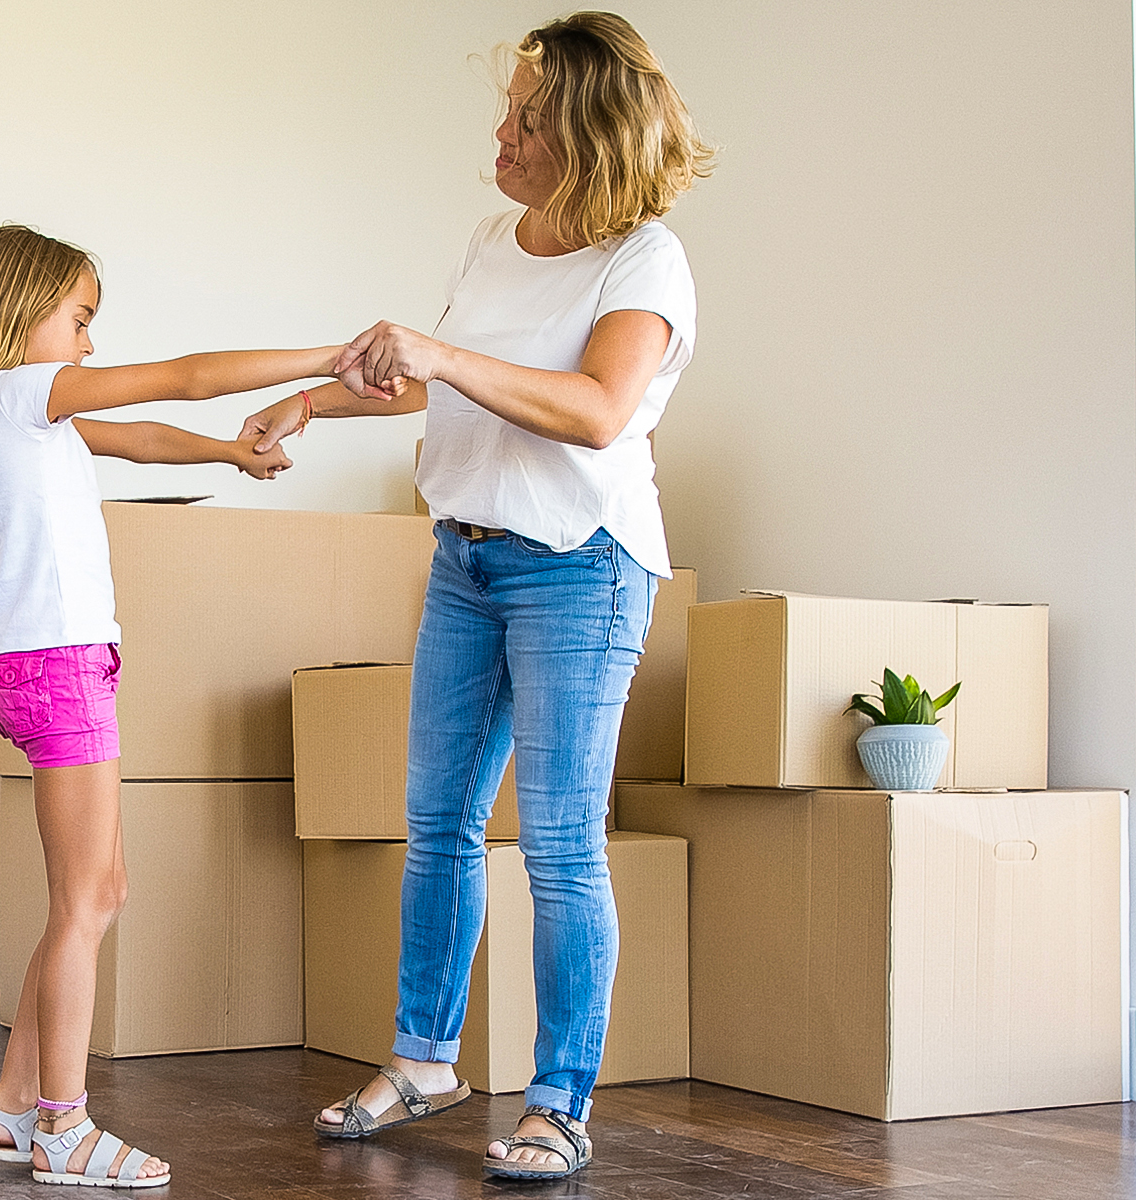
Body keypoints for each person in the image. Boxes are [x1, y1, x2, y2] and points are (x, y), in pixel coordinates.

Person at [245, 11, 711, 1181]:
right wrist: (317, 401)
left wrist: (441, 356)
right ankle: (425, 1060)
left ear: (592, 137)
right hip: (465, 560)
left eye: (531, 118)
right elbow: (438, 390)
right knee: (439, 827)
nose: (501, 134)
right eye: (507, 108)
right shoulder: (495, 238)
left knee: (558, 846)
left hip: (581, 566)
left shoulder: (642, 261)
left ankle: (559, 1101)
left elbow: (598, 409)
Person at [0, 223, 356, 1189]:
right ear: (19, 308)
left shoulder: (10, 412)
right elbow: (183, 375)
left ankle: (14, 1106)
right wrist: (327, 360)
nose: (89, 345)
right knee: (85, 900)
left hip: (57, 662)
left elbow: (137, 435)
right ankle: (65, 1129)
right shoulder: (17, 390)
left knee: (99, 891)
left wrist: (230, 455)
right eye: (80, 321)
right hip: (56, 665)